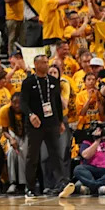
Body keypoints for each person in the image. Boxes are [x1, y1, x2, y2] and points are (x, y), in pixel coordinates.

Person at [20, 54, 71, 198]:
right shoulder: (28, 82)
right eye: (43, 62)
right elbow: (23, 103)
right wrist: (31, 115)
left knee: (56, 154)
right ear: (36, 65)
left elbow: (57, 104)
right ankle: (30, 187)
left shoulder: (54, 81)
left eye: (47, 62)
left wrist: (60, 121)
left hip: (52, 123)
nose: (46, 64)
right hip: (35, 125)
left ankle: (61, 183)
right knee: (33, 156)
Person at [71, 125, 105, 195]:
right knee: (78, 169)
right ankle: (100, 188)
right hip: (91, 169)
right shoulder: (87, 143)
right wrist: (97, 141)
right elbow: (86, 155)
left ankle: (92, 187)